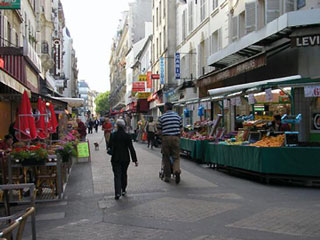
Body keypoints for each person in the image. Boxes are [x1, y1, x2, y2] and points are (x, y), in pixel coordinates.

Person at [108, 119, 138, 200]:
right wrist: (135, 160)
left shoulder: (113, 135)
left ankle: (117, 192)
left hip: (115, 158)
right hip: (125, 158)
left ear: (117, 126)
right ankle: (123, 190)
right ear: (124, 126)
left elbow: (109, 145)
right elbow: (131, 148)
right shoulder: (127, 136)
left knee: (117, 175)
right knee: (124, 173)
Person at [158, 102, 183, 184]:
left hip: (166, 138)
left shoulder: (162, 117)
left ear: (165, 108)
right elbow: (181, 129)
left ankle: (167, 176)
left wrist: (160, 136)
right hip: (176, 137)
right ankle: (176, 170)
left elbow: (159, 130)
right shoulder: (178, 117)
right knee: (176, 157)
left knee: (166, 157)